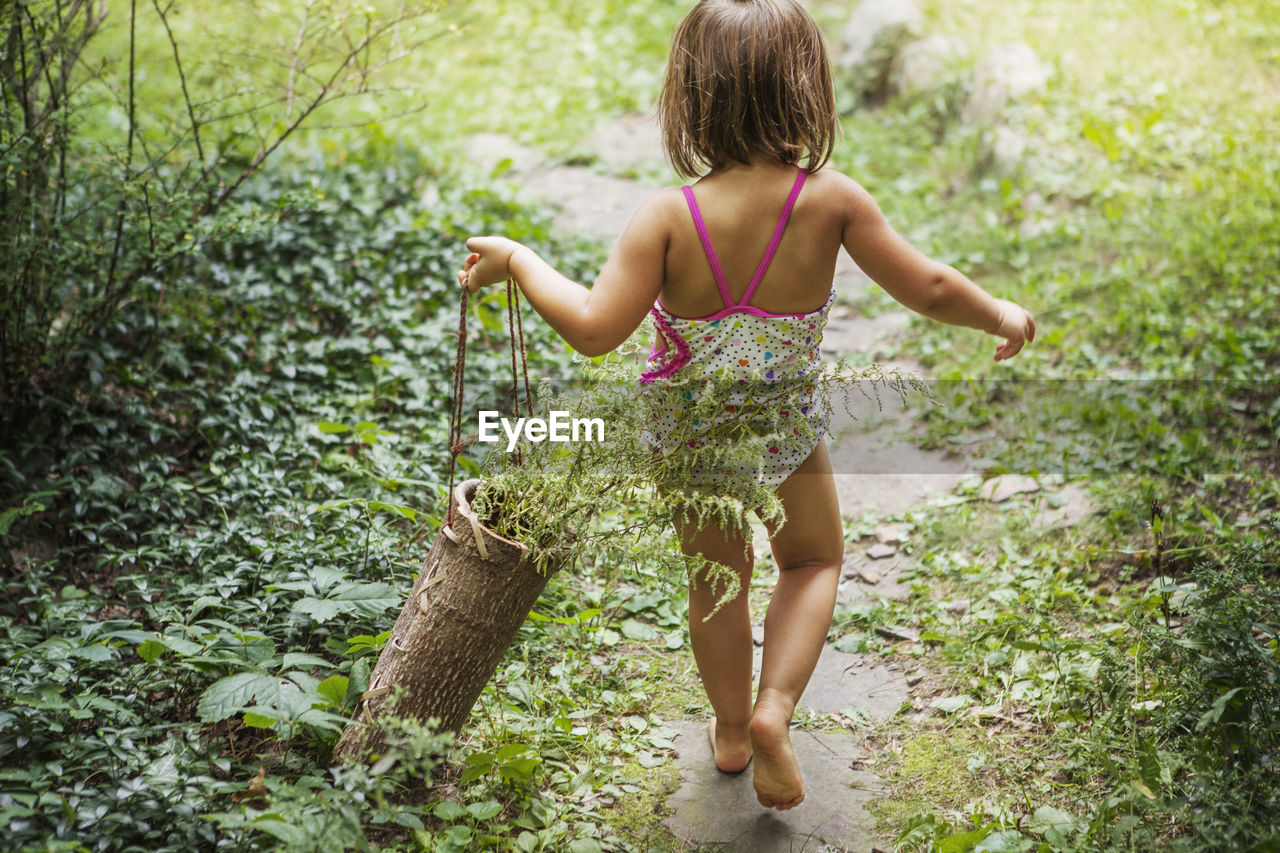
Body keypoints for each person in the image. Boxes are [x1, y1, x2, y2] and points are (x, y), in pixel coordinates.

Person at [457, 0, 1035, 812]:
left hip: (689, 439)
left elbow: (594, 329)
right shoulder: (832, 201)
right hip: (782, 430)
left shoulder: (667, 217)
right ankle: (776, 712)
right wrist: (999, 314)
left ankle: (731, 731)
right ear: (807, 90)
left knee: (717, 583)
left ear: (692, 96)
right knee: (812, 561)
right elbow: (929, 285)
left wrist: (518, 258)